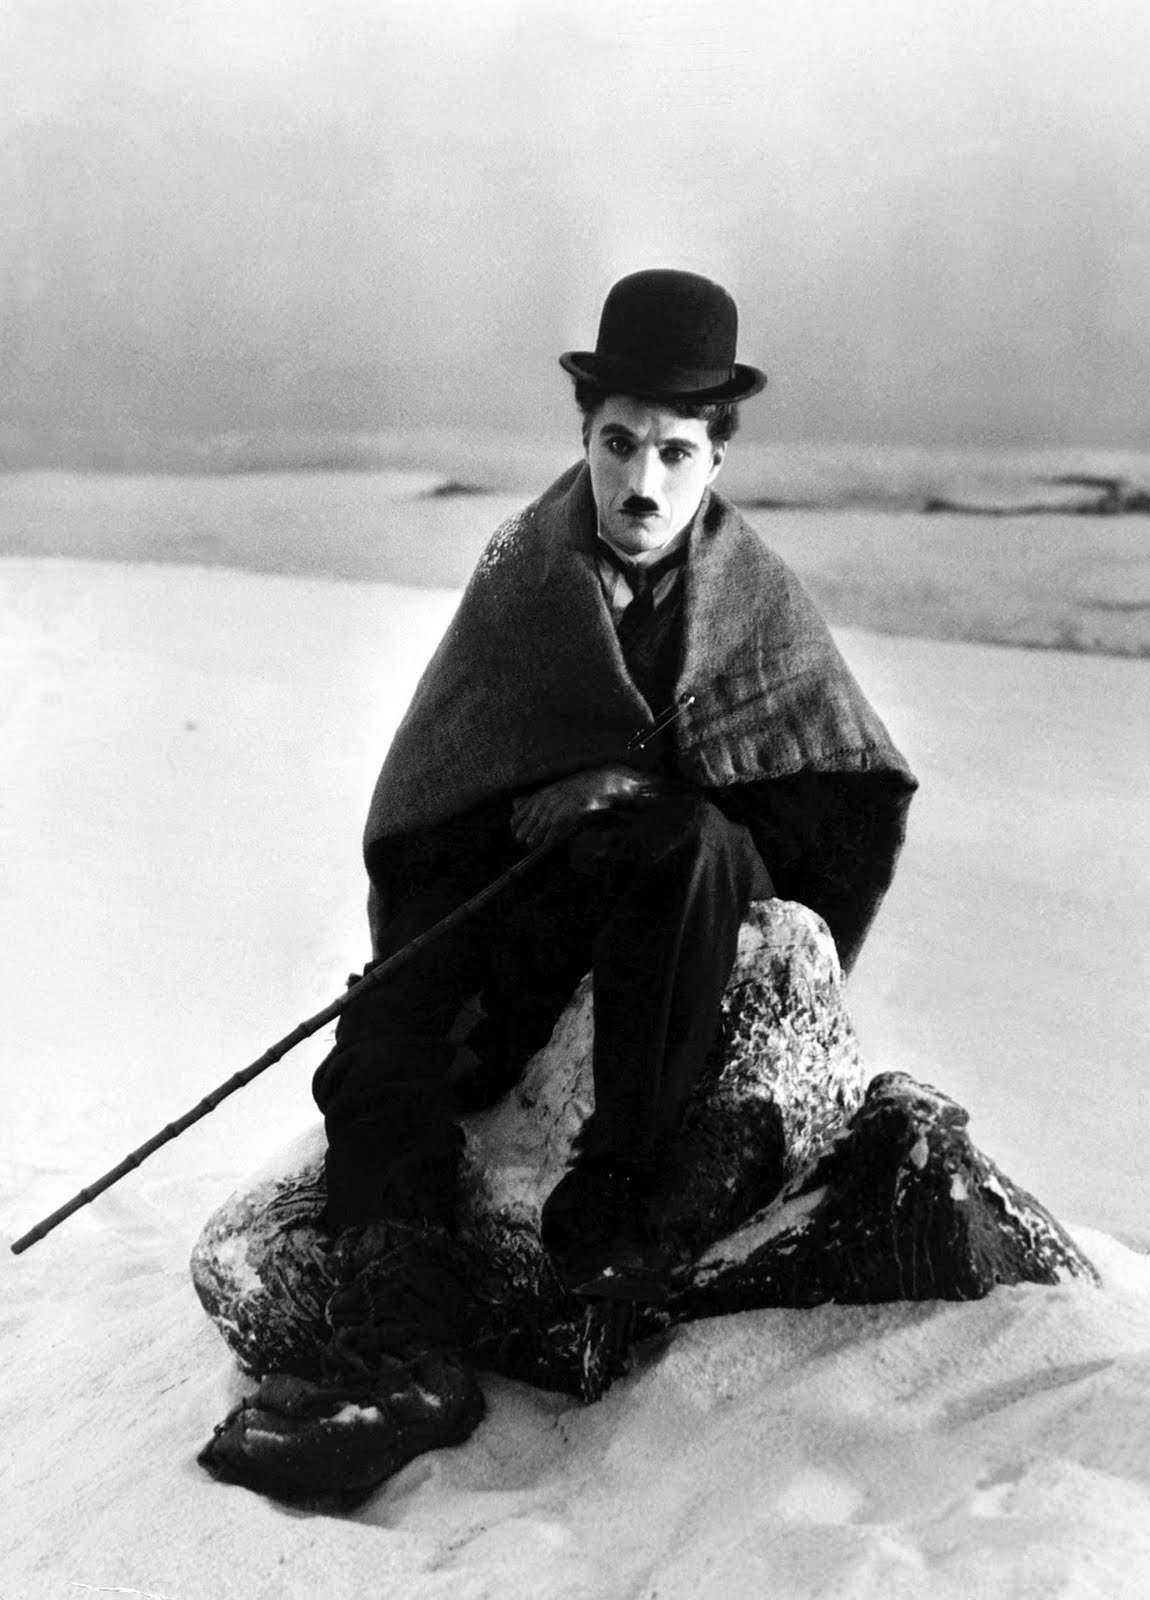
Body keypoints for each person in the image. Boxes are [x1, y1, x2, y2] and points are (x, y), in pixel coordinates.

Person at [201, 268, 917, 1500]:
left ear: (718, 457)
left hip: (685, 895)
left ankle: (619, 1195)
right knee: (389, 1016)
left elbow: (831, 795)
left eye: (676, 452)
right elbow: (445, 791)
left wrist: (631, 790)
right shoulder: (523, 574)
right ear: (584, 437)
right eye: (619, 443)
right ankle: (404, 1347)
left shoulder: (755, 601)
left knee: (687, 841)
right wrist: (508, 863)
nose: (643, 482)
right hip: (543, 890)